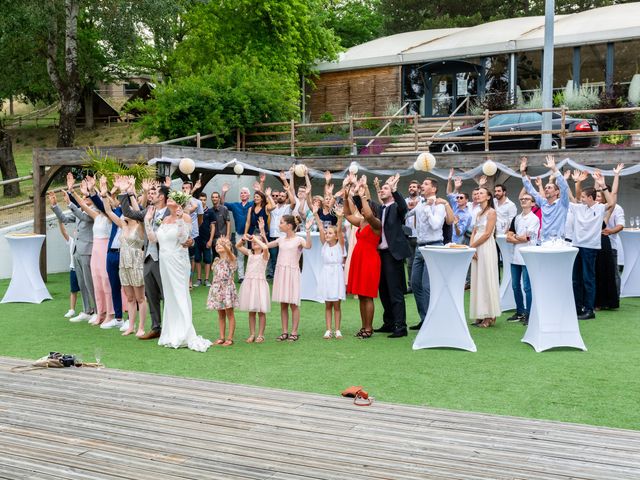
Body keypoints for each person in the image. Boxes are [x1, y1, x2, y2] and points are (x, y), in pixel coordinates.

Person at [144, 191, 210, 351]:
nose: (168, 200)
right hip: (164, 261)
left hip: (178, 261)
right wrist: (147, 221)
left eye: (172, 199)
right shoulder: (164, 219)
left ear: (179, 203)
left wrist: (180, 219)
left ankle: (184, 332)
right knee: (169, 295)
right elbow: (153, 239)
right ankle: (171, 331)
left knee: (179, 293)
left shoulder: (185, 217)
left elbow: (183, 239)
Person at [120, 182, 175, 340]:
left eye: (155, 192)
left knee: (166, 294)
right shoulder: (148, 211)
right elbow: (127, 212)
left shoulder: (170, 213)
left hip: (164, 258)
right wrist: (124, 192)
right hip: (148, 259)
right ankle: (156, 327)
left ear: (162, 197)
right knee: (151, 295)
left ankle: (170, 328)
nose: (152, 194)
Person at [569, 165, 621, 320]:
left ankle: (589, 310)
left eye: (584, 197)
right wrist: (573, 181)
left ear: (590, 198)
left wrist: (603, 185)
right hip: (577, 247)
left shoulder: (599, 208)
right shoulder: (579, 208)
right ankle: (577, 308)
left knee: (588, 279)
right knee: (576, 279)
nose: (582, 198)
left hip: (590, 248)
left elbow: (611, 203)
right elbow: (574, 197)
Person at [69, 178, 115, 327]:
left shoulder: (109, 216)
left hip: (104, 250)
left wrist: (96, 191)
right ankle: (100, 313)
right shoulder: (97, 217)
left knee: (105, 281)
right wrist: (74, 192)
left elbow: (103, 205)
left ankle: (110, 314)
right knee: (96, 282)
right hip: (95, 250)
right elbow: (82, 205)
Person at [103, 177, 146, 337]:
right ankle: (131, 326)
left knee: (140, 298)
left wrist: (129, 192)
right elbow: (108, 211)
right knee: (129, 297)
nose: (123, 214)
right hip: (123, 263)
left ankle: (141, 326)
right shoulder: (123, 226)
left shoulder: (140, 226)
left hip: (136, 263)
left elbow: (139, 211)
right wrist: (103, 194)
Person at [371, 174, 411, 338]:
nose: (382, 190)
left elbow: (404, 207)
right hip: (380, 254)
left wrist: (394, 189)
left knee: (395, 292)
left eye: (385, 188)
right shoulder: (380, 209)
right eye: (381, 189)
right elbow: (365, 207)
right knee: (384, 291)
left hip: (393, 255)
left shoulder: (397, 207)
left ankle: (400, 326)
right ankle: (389, 323)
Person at [261, 215, 312, 342]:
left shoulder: (299, 239)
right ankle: (284, 332)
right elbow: (267, 245)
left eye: (281, 222)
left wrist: (308, 230)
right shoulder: (280, 239)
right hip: (281, 272)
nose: (279, 225)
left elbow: (309, 246)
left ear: (289, 226)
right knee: (283, 304)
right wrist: (262, 231)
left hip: (292, 272)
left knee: (293, 304)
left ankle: (294, 332)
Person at [53, 172, 96, 323]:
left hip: (88, 251)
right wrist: (55, 205)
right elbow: (64, 219)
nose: (84, 199)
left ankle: (97, 310)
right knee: (81, 282)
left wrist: (70, 202)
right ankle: (87, 309)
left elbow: (83, 216)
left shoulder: (95, 212)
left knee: (90, 282)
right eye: (83, 197)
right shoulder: (81, 211)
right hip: (77, 251)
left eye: (86, 197)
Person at [344, 174, 382, 339]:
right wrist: (346, 197)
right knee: (361, 295)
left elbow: (367, 213)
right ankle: (363, 325)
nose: (362, 209)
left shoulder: (376, 223)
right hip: (359, 260)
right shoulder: (361, 223)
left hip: (370, 261)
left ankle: (369, 327)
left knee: (368, 295)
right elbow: (346, 214)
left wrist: (361, 194)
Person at [405, 178, 446, 330]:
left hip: (434, 246)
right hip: (419, 248)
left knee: (427, 286)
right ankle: (424, 318)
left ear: (434, 189)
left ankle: (432, 320)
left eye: (426, 184)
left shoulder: (439, 205)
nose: (422, 186)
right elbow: (407, 215)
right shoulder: (420, 204)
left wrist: (428, 209)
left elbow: (436, 225)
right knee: (415, 284)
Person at [312, 203, 346, 339]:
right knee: (328, 305)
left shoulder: (340, 245)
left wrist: (339, 218)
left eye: (330, 233)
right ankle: (328, 329)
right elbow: (320, 227)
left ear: (336, 236)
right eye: (327, 233)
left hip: (336, 275)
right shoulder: (324, 244)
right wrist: (315, 214)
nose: (327, 234)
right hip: (326, 274)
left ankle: (337, 329)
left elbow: (339, 229)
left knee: (336, 305)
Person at [469, 187, 501, 327]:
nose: (478, 195)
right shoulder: (478, 213)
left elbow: (488, 233)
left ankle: (490, 315)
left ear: (488, 197)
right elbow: (474, 230)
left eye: (481, 193)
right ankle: (480, 313)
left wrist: (474, 245)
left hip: (486, 247)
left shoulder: (492, 212)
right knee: (478, 279)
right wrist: (471, 247)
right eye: (477, 193)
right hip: (476, 246)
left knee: (487, 277)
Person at [506, 193, 540, 324]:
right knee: (515, 286)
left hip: (527, 256)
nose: (523, 201)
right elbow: (509, 237)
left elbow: (527, 238)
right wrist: (518, 237)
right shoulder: (517, 218)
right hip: (515, 256)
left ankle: (529, 313)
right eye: (522, 199)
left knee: (527, 287)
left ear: (533, 203)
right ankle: (520, 311)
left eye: (527, 199)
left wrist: (517, 237)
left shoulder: (534, 219)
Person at [520, 155, 570, 242]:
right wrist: (523, 173)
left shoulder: (562, 203)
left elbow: (564, 187)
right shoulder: (543, 202)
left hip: (557, 242)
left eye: (549, 188)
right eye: (545, 188)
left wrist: (554, 169)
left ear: (557, 192)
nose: (546, 189)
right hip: (542, 241)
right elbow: (530, 190)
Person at [49, 191, 80, 318]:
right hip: (74, 268)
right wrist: (59, 221)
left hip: (83, 266)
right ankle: (72, 309)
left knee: (88, 289)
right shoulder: (72, 241)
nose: (76, 231)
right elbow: (64, 232)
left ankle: (90, 310)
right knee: (73, 290)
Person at [236, 233, 270, 344]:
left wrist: (255, 238)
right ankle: (252, 334)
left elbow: (265, 247)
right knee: (251, 311)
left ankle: (261, 334)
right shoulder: (250, 253)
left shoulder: (265, 254)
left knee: (261, 311)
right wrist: (243, 239)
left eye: (257, 241)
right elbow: (238, 246)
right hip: (249, 283)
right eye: (253, 241)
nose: (254, 242)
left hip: (259, 284)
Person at [207, 237, 239, 346]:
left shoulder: (231, 259)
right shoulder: (216, 260)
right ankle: (221, 337)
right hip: (217, 289)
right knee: (220, 314)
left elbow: (231, 255)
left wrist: (225, 245)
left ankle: (230, 338)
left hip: (227, 288)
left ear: (229, 247)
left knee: (229, 313)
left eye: (222, 244)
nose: (218, 245)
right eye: (217, 245)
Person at [265, 172, 296, 278]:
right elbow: (271, 208)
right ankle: (275, 276)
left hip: (283, 236)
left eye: (283, 196)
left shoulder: (287, 207)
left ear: (286, 198)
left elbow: (294, 202)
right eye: (279, 196)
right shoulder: (272, 207)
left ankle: (283, 276)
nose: (280, 197)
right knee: (273, 257)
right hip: (273, 235)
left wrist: (288, 190)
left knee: (283, 257)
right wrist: (269, 196)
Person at [221, 184, 253, 281]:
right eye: (241, 193)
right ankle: (241, 277)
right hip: (239, 233)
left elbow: (262, 200)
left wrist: (260, 187)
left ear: (249, 195)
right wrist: (224, 192)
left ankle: (251, 275)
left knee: (254, 255)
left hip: (252, 234)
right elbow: (222, 203)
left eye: (245, 193)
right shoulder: (235, 205)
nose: (243, 194)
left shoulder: (252, 204)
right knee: (240, 255)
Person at [194, 192, 215, 287]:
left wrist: (210, 240)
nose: (202, 201)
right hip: (197, 239)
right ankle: (198, 279)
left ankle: (206, 279)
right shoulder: (194, 211)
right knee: (197, 259)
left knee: (207, 260)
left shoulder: (210, 212)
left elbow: (213, 227)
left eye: (204, 200)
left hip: (206, 239)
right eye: (200, 200)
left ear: (206, 200)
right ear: (198, 201)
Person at [404, 180, 421, 292]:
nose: (411, 188)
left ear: (418, 189)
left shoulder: (423, 201)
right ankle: (410, 285)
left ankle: (419, 284)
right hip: (408, 235)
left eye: (414, 187)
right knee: (410, 263)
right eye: (410, 187)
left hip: (420, 235)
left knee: (419, 262)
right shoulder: (405, 201)